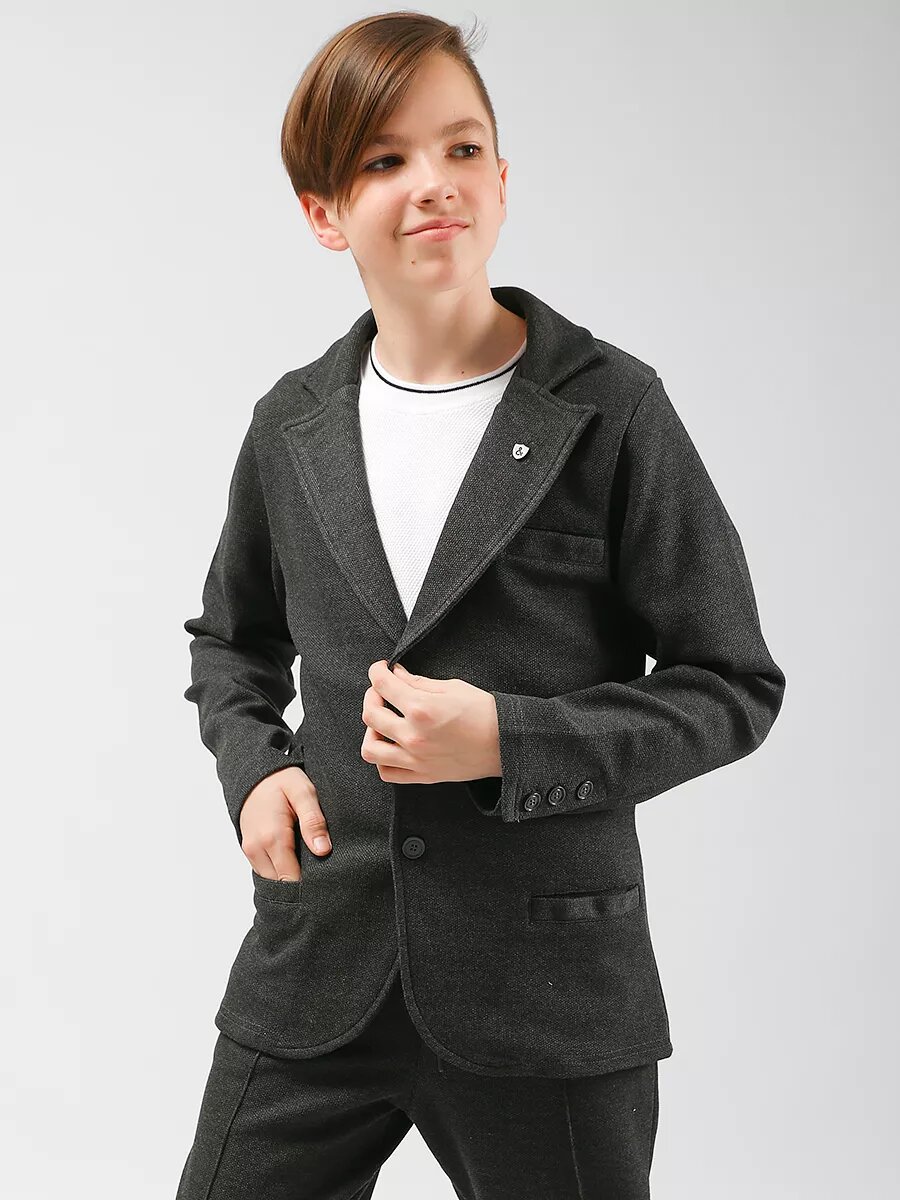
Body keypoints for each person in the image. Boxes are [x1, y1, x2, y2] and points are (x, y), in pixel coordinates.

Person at [175, 11, 786, 1200]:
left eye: (461, 149)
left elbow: (734, 686)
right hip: (318, 963)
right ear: (323, 213)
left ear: (502, 180)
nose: (434, 183)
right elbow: (230, 643)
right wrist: (253, 771)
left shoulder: (612, 411)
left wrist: (511, 739)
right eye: (384, 160)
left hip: (546, 984)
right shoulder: (291, 424)